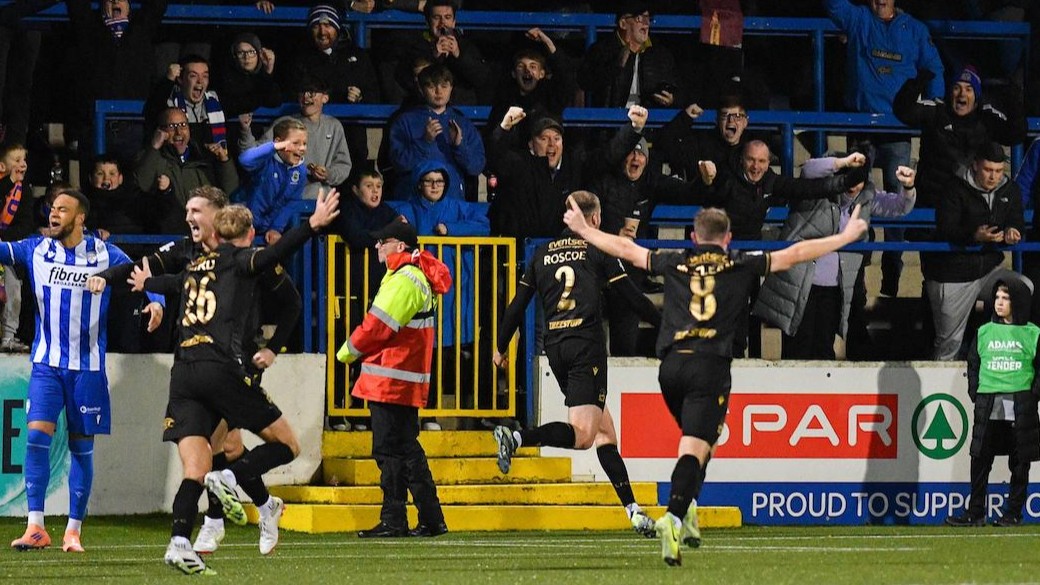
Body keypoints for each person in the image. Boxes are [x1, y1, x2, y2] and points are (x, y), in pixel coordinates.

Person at [562, 197, 868, 566]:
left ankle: (687, 508)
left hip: (670, 368)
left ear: (693, 237)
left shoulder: (674, 261)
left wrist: (584, 229)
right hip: (709, 367)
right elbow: (797, 252)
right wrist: (845, 236)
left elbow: (627, 249)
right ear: (728, 239)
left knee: (705, 443)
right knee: (694, 448)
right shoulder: (739, 264)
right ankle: (674, 518)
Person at [90, 191, 339, 575]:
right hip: (223, 367)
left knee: (202, 461)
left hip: (185, 373)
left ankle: (182, 539)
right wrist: (312, 224)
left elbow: (171, 282)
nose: (188, 216)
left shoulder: (193, 267)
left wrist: (144, 285)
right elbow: (272, 254)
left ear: (217, 218)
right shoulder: (240, 259)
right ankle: (238, 500)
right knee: (275, 446)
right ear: (247, 231)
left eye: (195, 210)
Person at [492, 191, 661, 538]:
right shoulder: (598, 249)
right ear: (594, 220)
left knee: (604, 433)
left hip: (556, 347)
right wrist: (665, 322)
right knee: (584, 436)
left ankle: (633, 511)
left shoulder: (540, 254)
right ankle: (517, 436)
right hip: (586, 347)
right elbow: (628, 296)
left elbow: (516, 305)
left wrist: (499, 345)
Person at [5, 188, 163, 553]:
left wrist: (155, 301)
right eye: (52, 209)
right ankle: (35, 526)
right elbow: (2, 248)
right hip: (47, 365)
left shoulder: (106, 253)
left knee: (81, 449)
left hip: (87, 369)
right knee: (35, 438)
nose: (53, 214)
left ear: (80, 218)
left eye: (63, 209)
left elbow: (144, 271)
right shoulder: (36, 249)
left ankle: (73, 530)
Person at [336, 219, 452, 539]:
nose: (377, 246)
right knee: (404, 449)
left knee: (391, 451)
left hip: (391, 379)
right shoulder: (411, 276)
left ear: (400, 247)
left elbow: (377, 327)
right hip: (402, 378)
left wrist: (346, 352)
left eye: (382, 242)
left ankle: (398, 519)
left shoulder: (404, 280)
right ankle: (426, 518)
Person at [825, 0, 945, 298]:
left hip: (898, 129)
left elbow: (934, 68)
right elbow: (831, 5)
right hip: (862, 125)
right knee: (856, 200)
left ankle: (892, 265)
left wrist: (934, 108)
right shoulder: (859, 19)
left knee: (899, 198)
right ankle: (860, 273)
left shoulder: (915, 29)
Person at [753, 153, 917, 359]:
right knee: (797, 350)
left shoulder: (866, 197)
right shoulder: (818, 190)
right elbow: (808, 169)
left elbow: (900, 207)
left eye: (858, 179)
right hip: (800, 283)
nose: (853, 185)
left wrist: (908, 187)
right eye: (848, 177)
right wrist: (844, 162)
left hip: (834, 289)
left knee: (823, 350)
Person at [946, 278, 1040, 527]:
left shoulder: (1033, 333)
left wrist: (1032, 395)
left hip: (1020, 403)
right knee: (980, 459)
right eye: (997, 297)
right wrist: (976, 393)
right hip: (989, 403)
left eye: (1005, 298)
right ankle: (975, 512)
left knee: (1019, 463)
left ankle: (1013, 513)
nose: (999, 302)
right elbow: (973, 364)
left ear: (1017, 301)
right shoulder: (984, 331)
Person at [923, 142, 1025, 361]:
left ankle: (995, 355)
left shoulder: (1010, 189)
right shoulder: (953, 187)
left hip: (987, 269)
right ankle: (939, 391)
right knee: (948, 343)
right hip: (952, 275)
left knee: (1022, 288)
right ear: (975, 165)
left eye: (998, 171)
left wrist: (1013, 232)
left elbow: (1016, 220)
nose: (993, 177)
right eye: (988, 170)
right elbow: (946, 228)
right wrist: (974, 235)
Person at [239, 78, 352, 200]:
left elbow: (343, 165)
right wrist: (245, 130)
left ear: (325, 97)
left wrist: (328, 174)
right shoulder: (284, 123)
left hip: (318, 199)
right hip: (283, 197)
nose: (305, 97)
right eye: (302, 92)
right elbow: (254, 156)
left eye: (311, 92)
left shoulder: (334, 126)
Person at [387, 63, 485, 202]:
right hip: (414, 202)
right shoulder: (405, 121)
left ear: (451, 88)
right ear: (421, 89)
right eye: (432, 86)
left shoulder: (463, 123)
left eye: (444, 86)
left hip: (452, 202)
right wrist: (424, 142)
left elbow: (476, 167)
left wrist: (459, 145)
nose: (439, 92)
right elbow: (399, 163)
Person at [134, 107, 239, 235]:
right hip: (168, 235)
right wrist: (154, 147)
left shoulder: (205, 157)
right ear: (160, 131)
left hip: (204, 233)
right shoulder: (152, 157)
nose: (179, 132)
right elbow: (143, 184)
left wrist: (224, 161)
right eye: (172, 126)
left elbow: (232, 192)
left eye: (183, 125)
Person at [578, 0, 681, 109]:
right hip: (611, 121)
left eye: (648, 18)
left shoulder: (659, 54)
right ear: (623, 23)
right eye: (639, 18)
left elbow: (680, 88)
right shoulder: (602, 50)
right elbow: (585, 82)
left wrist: (673, 99)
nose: (646, 24)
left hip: (648, 122)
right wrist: (617, 65)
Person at [394, 0, 492, 105]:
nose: (442, 23)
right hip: (424, 109)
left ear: (454, 22)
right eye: (437, 17)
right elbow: (403, 78)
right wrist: (433, 56)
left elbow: (481, 78)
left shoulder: (466, 46)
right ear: (427, 22)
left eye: (447, 17)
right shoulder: (417, 47)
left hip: (460, 109)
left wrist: (459, 55)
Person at [237, 118, 308, 244]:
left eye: (304, 143)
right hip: (242, 223)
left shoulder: (300, 171)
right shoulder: (266, 160)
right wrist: (274, 147)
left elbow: (292, 202)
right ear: (278, 142)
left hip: (268, 228)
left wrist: (276, 228)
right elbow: (244, 160)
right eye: (295, 143)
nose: (302, 148)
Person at [144, 54, 228, 147]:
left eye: (205, 76)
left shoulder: (215, 100)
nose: (200, 81)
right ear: (180, 79)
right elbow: (151, 110)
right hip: (177, 160)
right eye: (193, 76)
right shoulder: (170, 101)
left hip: (211, 160)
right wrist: (169, 79)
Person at [0, 143, 32, 352]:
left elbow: (26, 224)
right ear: (2, 166)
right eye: (17, 160)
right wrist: (7, 184)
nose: (22, 164)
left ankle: (8, 337)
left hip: (6, 250)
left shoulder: (24, 191)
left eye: (24, 160)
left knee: (14, 292)